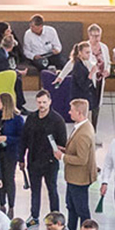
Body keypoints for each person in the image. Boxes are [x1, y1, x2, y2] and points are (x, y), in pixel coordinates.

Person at [21, 90, 67, 221]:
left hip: (50, 162)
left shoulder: (57, 120)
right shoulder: (31, 118)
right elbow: (24, 139)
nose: (41, 105)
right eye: (39, 102)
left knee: (52, 188)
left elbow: (62, 142)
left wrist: (58, 152)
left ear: (50, 102)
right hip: (33, 160)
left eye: (44, 102)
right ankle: (34, 216)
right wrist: (21, 158)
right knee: (35, 191)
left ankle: (55, 216)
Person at [62, 99, 96, 230]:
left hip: (79, 179)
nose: (69, 112)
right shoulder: (81, 127)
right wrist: (65, 150)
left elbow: (82, 159)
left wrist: (63, 157)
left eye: (72, 110)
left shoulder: (83, 134)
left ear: (79, 112)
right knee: (72, 208)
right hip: (73, 178)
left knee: (81, 211)